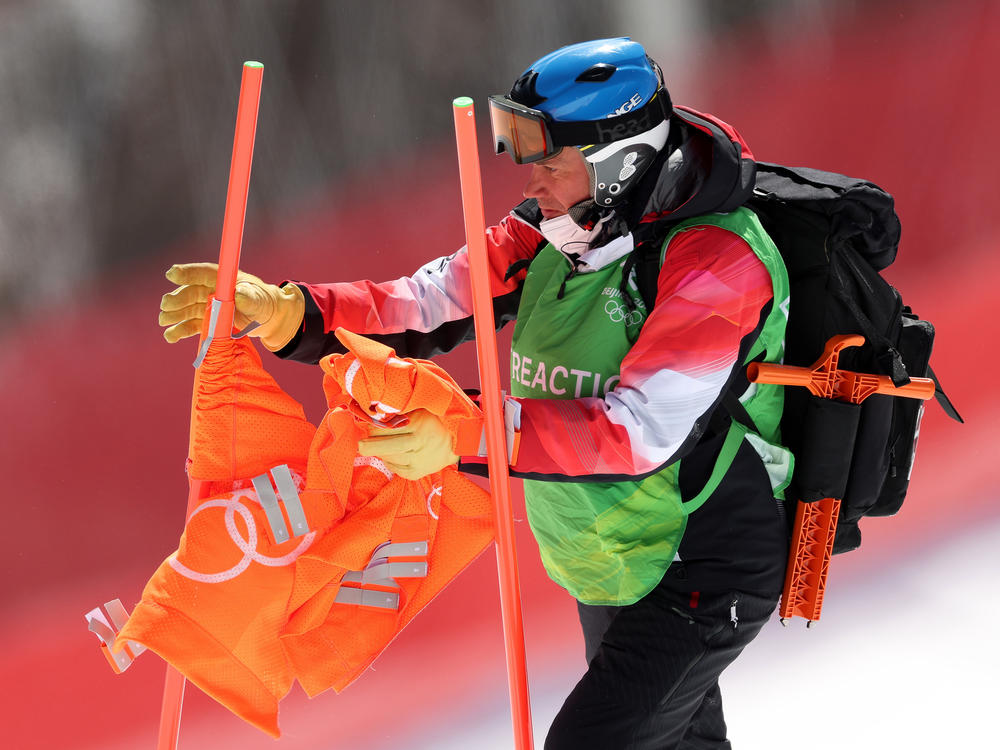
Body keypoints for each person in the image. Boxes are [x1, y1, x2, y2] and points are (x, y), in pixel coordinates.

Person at [159, 37, 792, 750]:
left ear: (623, 163)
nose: (530, 185)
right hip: (612, 550)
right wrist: (289, 312)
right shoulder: (560, 232)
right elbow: (428, 305)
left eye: (549, 164)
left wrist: (463, 431)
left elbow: (634, 431)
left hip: (700, 559)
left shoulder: (717, 264)